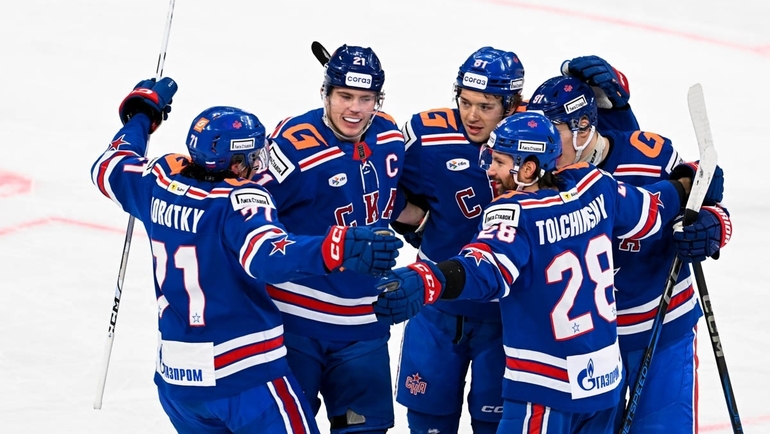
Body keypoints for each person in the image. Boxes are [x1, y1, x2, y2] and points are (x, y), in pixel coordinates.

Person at [90, 77, 403, 433]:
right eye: (253, 157)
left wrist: (141, 115)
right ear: (236, 163)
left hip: (178, 383)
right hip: (244, 376)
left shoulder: (158, 180)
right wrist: (339, 247)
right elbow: (269, 256)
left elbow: (109, 164)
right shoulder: (239, 201)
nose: (259, 165)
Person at [375, 111, 699, 433]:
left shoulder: (516, 214)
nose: (490, 170)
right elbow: (655, 207)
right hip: (603, 384)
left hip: (546, 388)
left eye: (499, 161)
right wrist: (690, 180)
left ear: (528, 169)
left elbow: (484, 269)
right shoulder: (595, 186)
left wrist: (428, 279)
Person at [526, 67, 731, 433]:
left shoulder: (650, 156)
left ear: (583, 128)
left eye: (551, 132)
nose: (540, 145)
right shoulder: (535, 177)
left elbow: (707, 204)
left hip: (660, 328)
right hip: (581, 343)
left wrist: (711, 227)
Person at [252, 45, 405, 433]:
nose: (355, 109)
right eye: (345, 96)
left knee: (366, 429)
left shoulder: (390, 136)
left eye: (366, 98)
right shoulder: (291, 145)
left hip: (364, 322)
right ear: (325, 93)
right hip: (294, 323)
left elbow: (394, 197)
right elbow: (248, 215)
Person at [387, 46, 525, 434]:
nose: (472, 115)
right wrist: (413, 219)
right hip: (436, 307)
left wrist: (618, 109)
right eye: (465, 102)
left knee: (495, 425)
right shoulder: (427, 136)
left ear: (511, 105)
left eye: (486, 106)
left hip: (506, 314)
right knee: (428, 423)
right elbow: (378, 180)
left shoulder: (537, 137)